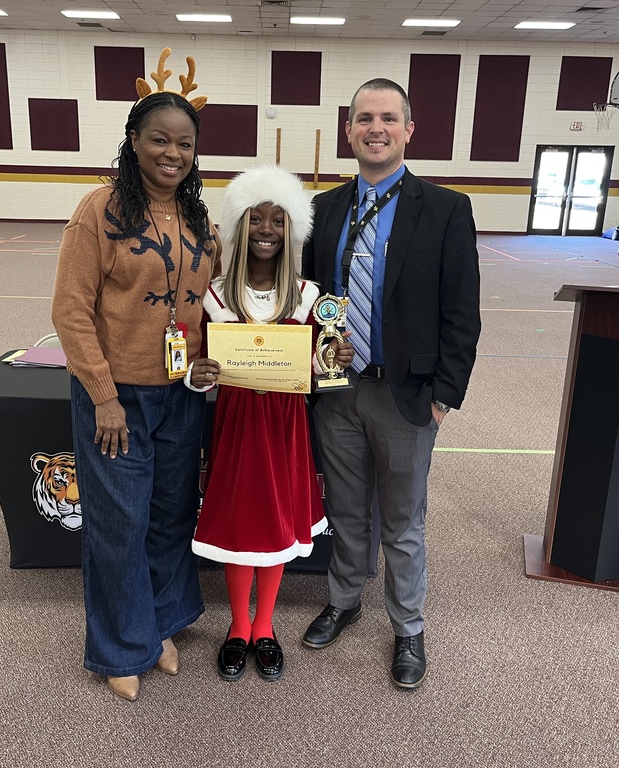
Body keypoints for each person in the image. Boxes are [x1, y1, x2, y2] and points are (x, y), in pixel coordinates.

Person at [300, 78, 481, 689]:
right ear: (348, 131)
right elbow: (305, 301)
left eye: (387, 118)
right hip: (334, 390)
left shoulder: (446, 209)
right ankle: (346, 599)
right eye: (362, 118)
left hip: (407, 395)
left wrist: (444, 396)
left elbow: (463, 311)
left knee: (402, 520)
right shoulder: (322, 211)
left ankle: (408, 627)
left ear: (409, 130)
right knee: (346, 511)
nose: (374, 128)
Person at [51, 91, 222, 702]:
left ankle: (162, 624)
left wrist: (206, 361)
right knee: (118, 523)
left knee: (171, 515)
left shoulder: (202, 221)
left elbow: (210, 308)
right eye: (159, 139)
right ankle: (122, 647)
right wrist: (102, 396)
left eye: (185, 143)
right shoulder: (99, 211)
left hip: (181, 397)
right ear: (133, 141)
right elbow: (70, 312)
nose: (172, 152)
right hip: (116, 398)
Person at [188, 164, 350, 682]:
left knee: (276, 521)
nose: (264, 230)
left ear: (291, 230)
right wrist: (199, 374)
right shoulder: (214, 296)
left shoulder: (307, 296)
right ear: (239, 227)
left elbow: (319, 364)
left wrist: (333, 358)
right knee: (241, 523)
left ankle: (264, 627)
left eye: (276, 221)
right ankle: (237, 626)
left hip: (284, 427)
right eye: (255, 220)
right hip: (235, 427)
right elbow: (188, 365)